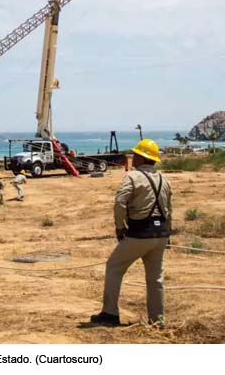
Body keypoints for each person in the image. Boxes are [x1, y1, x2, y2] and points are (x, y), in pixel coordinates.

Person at [91, 138, 172, 327]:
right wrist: (167, 236)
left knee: (114, 267)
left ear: (140, 158)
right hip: (160, 234)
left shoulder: (132, 177)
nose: (132, 158)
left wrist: (120, 227)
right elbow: (169, 209)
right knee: (156, 279)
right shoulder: (164, 179)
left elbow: (120, 203)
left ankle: (110, 313)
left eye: (135, 155)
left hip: (139, 233)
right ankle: (157, 320)